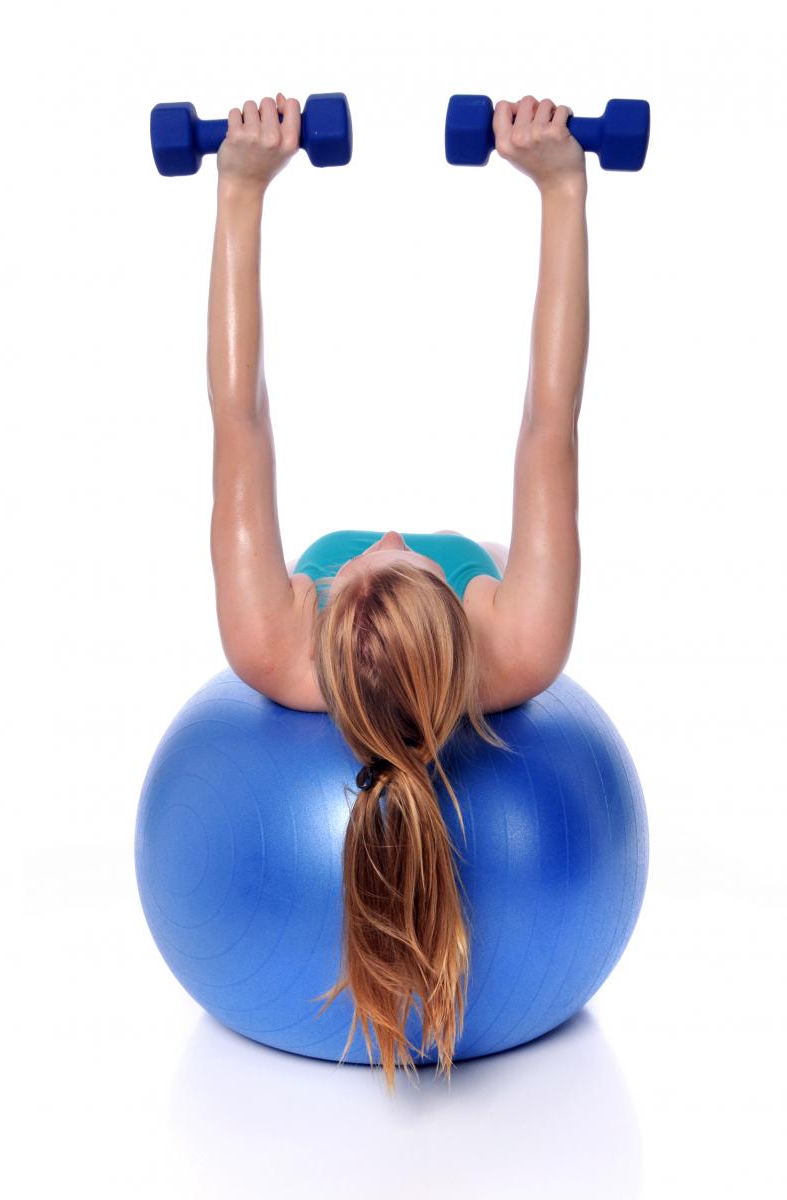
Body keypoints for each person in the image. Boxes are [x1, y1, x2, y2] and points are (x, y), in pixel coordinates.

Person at [207, 93, 587, 1089]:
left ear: (318, 612)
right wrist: (559, 186)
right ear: (466, 618)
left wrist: (239, 189)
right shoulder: (520, 637)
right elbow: (549, 416)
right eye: (389, 556)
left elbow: (236, 419)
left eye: (359, 565)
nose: (379, 536)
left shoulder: (268, 637)